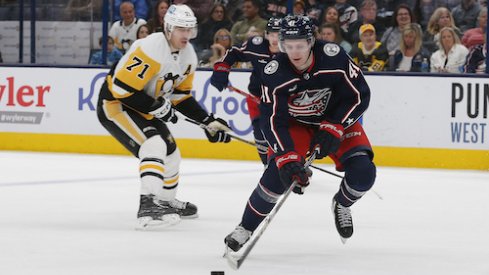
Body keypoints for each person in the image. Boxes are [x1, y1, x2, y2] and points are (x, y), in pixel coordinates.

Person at [224, 15, 376, 251]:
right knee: (276, 175)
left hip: (335, 119)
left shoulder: (335, 57)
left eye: (300, 46)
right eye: (289, 46)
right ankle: (245, 227)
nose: (295, 52)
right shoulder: (274, 71)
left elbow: (359, 96)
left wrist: (335, 125)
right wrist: (287, 156)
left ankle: (342, 204)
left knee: (364, 173)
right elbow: (273, 120)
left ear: (311, 42)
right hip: (297, 124)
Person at [97, 4, 232, 229]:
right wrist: (157, 107)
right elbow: (120, 90)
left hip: (143, 106)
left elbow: (180, 97)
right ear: (168, 28)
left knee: (172, 154)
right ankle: (148, 203)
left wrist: (207, 122)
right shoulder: (150, 48)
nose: (186, 35)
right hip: (115, 105)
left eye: (189, 29)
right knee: (154, 145)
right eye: (181, 29)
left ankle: (165, 201)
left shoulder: (188, 55)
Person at [210, 17, 282, 165]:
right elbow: (233, 53)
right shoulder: (256, 46)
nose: (275, 39)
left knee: (280, 134)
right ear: (266, 35)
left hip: (282, 101)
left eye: (279, 34)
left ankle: (287, 161)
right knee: (260, 133)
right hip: (257, 98)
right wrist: (222, 70)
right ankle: (268, 166)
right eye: (272, 34)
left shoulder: (292, 51)